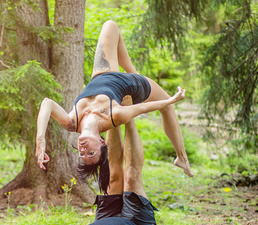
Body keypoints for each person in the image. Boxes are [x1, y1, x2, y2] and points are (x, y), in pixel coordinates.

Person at [0, 119, 236, 225]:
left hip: (108, 216)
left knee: (113, 173)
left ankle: (113, 115)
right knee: (131, 175)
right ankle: (130, 120)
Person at [35, 20, 193, 193]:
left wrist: (40, 138)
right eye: (91, 153)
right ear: (102, 143)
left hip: (102, 73)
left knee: (110, 25)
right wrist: (171, 100)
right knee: (167, 108)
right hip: (132, 86)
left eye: (82, 154)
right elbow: (145, 108)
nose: (83, 150)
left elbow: (47, 104)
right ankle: (181, 157)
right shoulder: (114, 116)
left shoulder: (71, 122)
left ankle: (133, 69)